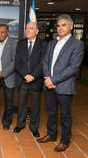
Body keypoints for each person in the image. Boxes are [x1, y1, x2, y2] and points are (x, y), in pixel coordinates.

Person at [37, 14, 84, 152]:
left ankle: (65, 140)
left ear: (70, 26)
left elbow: (73, 67)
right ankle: (51, 135)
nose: (60, 28)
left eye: (63, 25)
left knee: (65, 115)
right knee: (51, 112)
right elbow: (45, 61)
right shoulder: (52, 43)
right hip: (49, 84)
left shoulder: (77, 44)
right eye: (58, 25)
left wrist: (54, 80)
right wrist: (47, 78)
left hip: (64, 86)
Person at [13, 22, 47, 137]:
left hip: (36, 80)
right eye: (26, 28)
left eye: (31, 28)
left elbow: (43, 62)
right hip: (23, 80)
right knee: (21, 103)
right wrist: (25, 75)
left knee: (35, 105)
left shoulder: (43, 44)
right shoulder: (20, 44)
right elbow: (17, 62)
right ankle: (20, 124)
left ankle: (34, 127)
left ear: (37, 31)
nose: (28, 30)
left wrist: (33, 75)